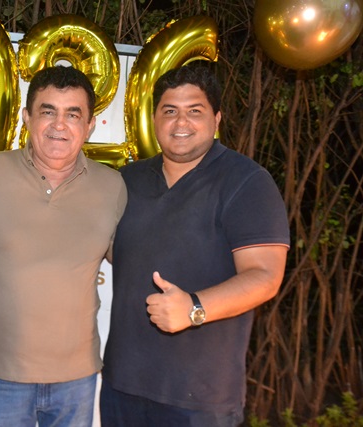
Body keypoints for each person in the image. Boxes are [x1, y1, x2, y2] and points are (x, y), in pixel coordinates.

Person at [100, 64, 290, 426]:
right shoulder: (127, 180)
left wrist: (194, 308)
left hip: (201, 398)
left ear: (216, 119)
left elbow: (265, 276)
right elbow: (113, 250)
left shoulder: (246, 181)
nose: (181, 122)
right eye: (170, 110)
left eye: (195, 111)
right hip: (122, 385)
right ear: (154, 119)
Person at [0, 65, 127, 427]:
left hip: (77, 380)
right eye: (48, 111)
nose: (59, 125)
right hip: (0, 375)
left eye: (73, 114)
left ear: (90, 125)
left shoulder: (112, 187)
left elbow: (134, 264)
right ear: (27, 117)